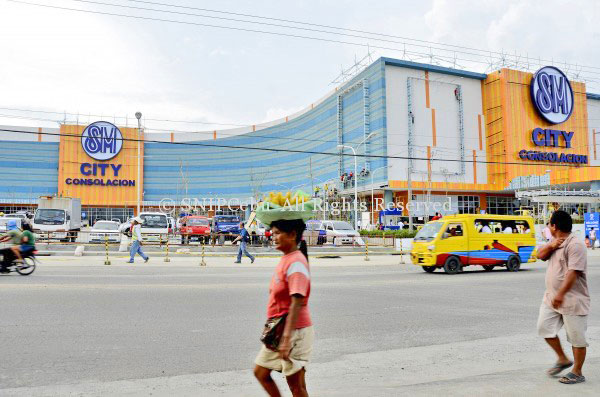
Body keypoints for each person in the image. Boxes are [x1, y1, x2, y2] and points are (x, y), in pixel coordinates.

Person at [254, 219, 313, 397]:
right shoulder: (287, 258)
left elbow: (297, 301)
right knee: (261, 373)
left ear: (293, 235)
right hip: (280, 329)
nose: (274, 237)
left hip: (295, 331)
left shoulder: (296, 262)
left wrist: (286, 339)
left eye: (278, 233)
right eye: (273, 233)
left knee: (296, 386)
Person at [536, 210, 590, 384]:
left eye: (549, 224)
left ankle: (577, 372)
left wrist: (561, 294)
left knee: (576, 337)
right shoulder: (554, 242)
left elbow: (573, 272)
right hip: (551, 298)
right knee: (544, 328)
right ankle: (563, 359)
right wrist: (552, 245)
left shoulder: (575, 245)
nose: (548, 227)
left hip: (572, 299)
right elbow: (540, 255)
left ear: (554, 226)